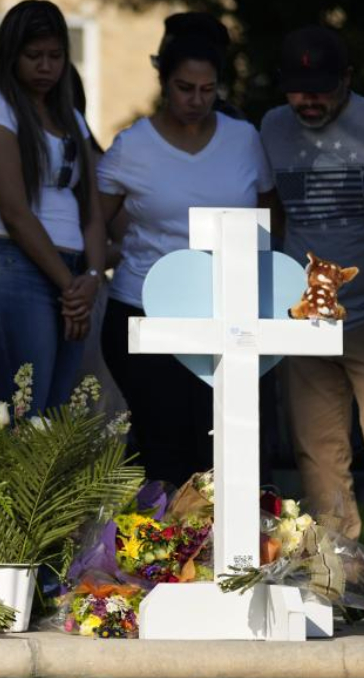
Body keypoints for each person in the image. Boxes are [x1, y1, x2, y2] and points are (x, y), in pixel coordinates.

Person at [260, 25, 364, 575]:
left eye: (322, 88)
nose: (308, 100)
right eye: (297, 89)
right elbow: (276, 212)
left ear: (349, 80)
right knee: (318, 454)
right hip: (302, 317)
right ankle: (338, 580)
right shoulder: (270, 127)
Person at [98, 32, 275, 486]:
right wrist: (91, 271)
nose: (196, 99)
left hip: (230, 314)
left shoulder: (244, 139)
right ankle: (167, 551)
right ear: (162, 81)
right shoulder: (132, 146)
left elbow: (272, 215)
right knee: (165, 449)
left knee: (227, 449)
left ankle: (234, 552)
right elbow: (93, 224)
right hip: (144, 309)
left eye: (207, 89)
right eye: (184, 87)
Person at [0, 0, 106, 413]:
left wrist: (92, 278)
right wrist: (71, 287)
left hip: (73, 274)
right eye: (34, 56)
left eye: (55, 56)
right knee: (20, 414)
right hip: (15, 268)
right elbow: (15, 213)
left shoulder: (71, 118)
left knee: (53, 420)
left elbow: (93, 210)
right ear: (11, 56)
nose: (45, 66)